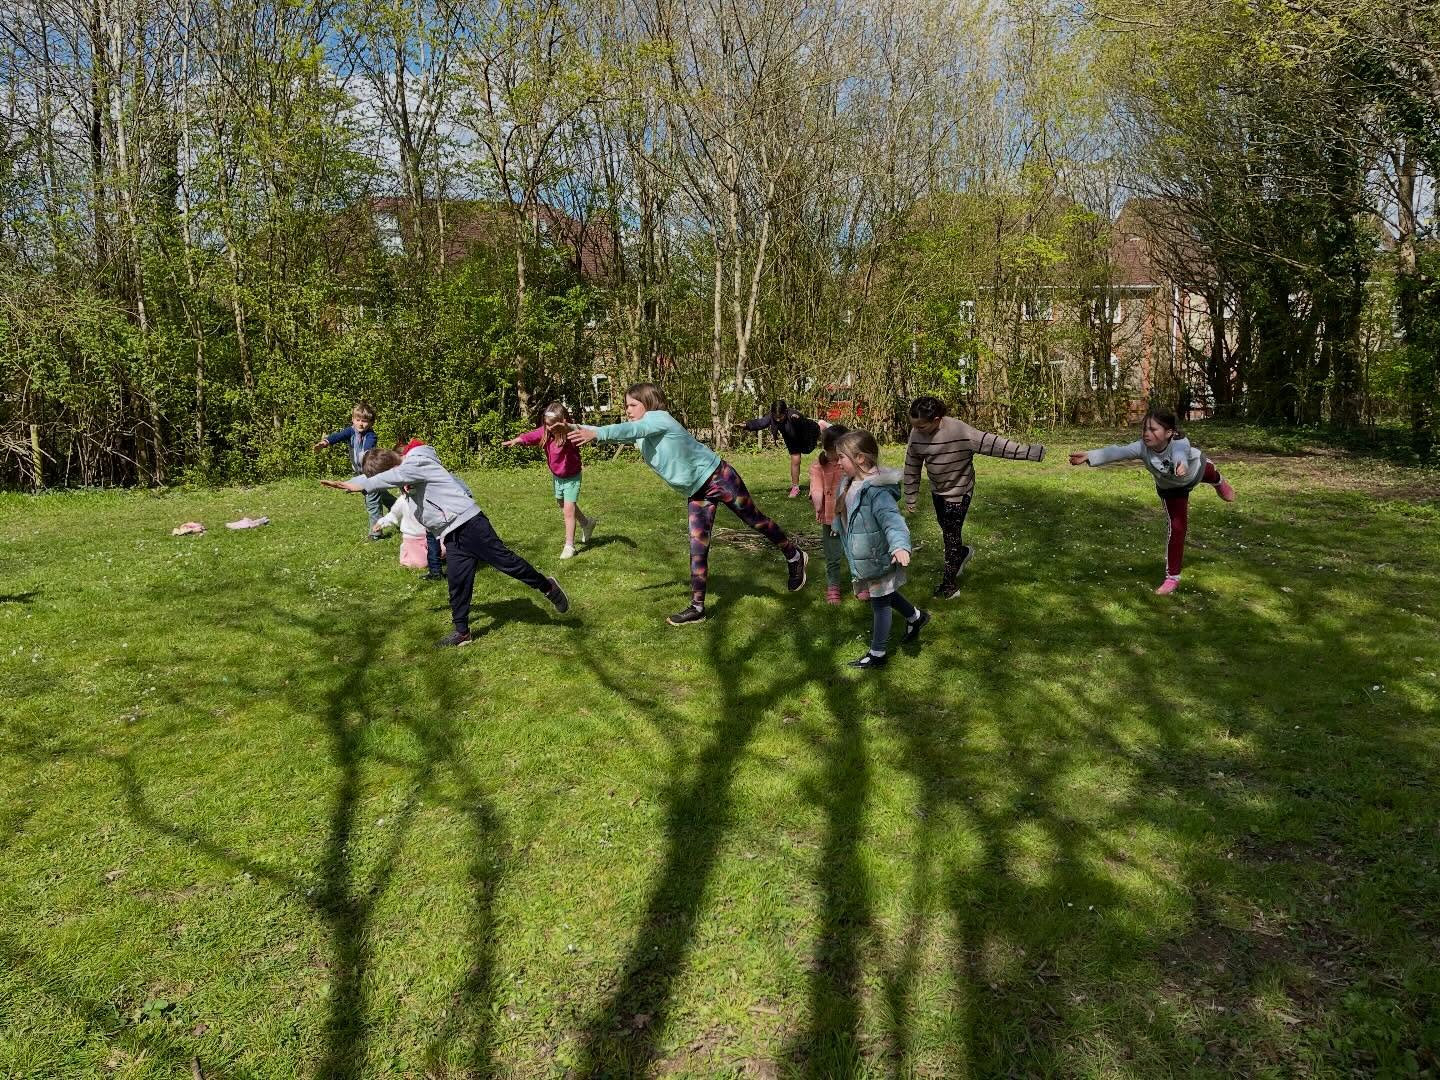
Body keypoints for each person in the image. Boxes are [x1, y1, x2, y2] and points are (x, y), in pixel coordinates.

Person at [568, 382, 808, 625]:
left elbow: (622, 431)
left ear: (648, 403)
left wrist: (598, 434)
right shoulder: (643, 431)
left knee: (755, 521)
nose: (627, 410)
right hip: (697, 492)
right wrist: (568, 427)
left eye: (632, 404)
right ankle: (697, 607)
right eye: (626, 405)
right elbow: (622, 431)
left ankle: (793, 554)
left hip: (719, 477)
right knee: (697, 547)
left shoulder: (659, 418)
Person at [323, 445, 569, 647]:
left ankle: (548, 587)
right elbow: (394, 479)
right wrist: (353, 481)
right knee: (457, 582)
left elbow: (395, 476)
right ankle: (462, 632)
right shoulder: (407, 476)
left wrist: (362, 484)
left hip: (470, 524)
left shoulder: (416, 462)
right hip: (450, 533)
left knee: (507, 563)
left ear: (394, 467)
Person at [1069, 406, 1236, 595]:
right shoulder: (1142, 447)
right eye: (1144, 429)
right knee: (1178, 528)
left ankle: (1219, 482)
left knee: (1211, 474)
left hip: (1195, 471)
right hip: (1172, 489)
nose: (1147, 434)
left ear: (1169, 433)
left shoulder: (1180, 442)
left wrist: (1181, 463)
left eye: (1153, 429)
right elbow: (1118, 452)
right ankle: (1172, 577)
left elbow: (1180, 454)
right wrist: (1089, 456)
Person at [902, 395, 1045, 599]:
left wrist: (1031, 452)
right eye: (914, 426)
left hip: (960, 491)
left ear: (936, 419)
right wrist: (911, 496)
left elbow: (994, 444)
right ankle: (962, 554)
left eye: (922, 426)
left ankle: (949, 587)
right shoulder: (916, 434)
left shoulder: (960, 431)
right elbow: (912, 465)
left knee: (950, 536)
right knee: (948, 530)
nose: (917, 430)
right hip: (938, 491)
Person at [833, 430, 929, 669]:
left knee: (880, 601)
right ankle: (916, 617)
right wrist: (837, 525)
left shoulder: (877, 491)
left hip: (879, 555)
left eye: (841, 458)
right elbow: (843, 509)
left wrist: (900, 546)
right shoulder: (848, 483)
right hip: (864, 554)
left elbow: (892, 520)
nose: (838, 463)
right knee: (885, 593)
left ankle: (878, 653)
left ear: (860, 459)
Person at [502, 402, 597, 559]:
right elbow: (531, 435)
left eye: (553, 425)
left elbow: (583, 431)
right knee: (562, 503)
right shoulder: (546, 432)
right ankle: (586, 523)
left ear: (563, 422)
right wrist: (517, 440)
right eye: (547, 424)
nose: (550, 428)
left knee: (568, 510)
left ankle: (569, 545)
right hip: (557, 477)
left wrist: (570, 428)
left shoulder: (571, 435)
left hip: (572, 477)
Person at [314, 401, 393, 537]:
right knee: (383, 495)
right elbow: (338, 436)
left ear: (371, 422)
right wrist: (324, 443)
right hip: (362, 473)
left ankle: (376, 533)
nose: (361, 424)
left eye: (364, 421)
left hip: (371, 473)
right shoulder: (351, 431)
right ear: (353, 420)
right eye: (358, 420)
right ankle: (403, 512)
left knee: (372, 500)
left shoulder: (371, 436)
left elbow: (368, 447)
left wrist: (367, 456)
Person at [810, 423, 861, 604]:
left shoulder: (850, 463)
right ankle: (833, 586)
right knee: (833, 555)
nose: (837, 456)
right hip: (830, 518)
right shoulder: (818, 466)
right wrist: (818, 507)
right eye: (834, 450)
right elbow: (816, 489)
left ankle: (860, 583)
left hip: (853, 516)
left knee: (856, 551)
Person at [744, 399, 823, 497]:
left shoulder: (793, 415)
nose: (777, 420)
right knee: (795, 460)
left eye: (780, 417)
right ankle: (795, 487)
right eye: (775, 417)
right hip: (792, 438)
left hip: (808, 434)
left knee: (825, 447)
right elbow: (761, 423)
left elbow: (805, 424)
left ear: (785, 412)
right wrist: (746, 425)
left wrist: (798, 418)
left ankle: (822, 425)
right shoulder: (772, 417)